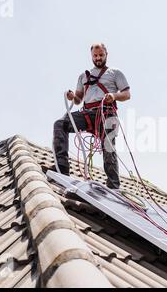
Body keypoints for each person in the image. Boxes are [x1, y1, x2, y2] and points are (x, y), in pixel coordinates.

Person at [52, 43, 131, 189]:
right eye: (95, 56)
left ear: (106, 54)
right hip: (87, 114)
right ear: (91, 56)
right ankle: (62, 167)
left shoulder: (115, 73)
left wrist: (113, 96)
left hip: (106, 113)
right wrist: (72, 97)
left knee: (108, 147)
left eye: (101, 55)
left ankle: (113, 186)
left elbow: (127, 94)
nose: (98, 58)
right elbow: (78, 100)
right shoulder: (84, 76)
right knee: (60, 124)